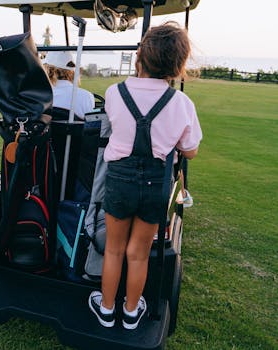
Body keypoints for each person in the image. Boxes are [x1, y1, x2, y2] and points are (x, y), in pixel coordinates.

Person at [88, 22, 202, 330]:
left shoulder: (115, 93)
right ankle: (129, 312)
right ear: (179, 64)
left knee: (113, 248)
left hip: (119, 178)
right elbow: (190, 150)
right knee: (138, 253)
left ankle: (107, 308)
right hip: (155, 183)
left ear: (141, 56)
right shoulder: (181, 103)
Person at [43, 51, 95, 119]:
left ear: (47, 70)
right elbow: (90, 124)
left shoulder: (38, 96)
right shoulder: (86, 96)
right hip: (75, 130)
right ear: (72, 72)